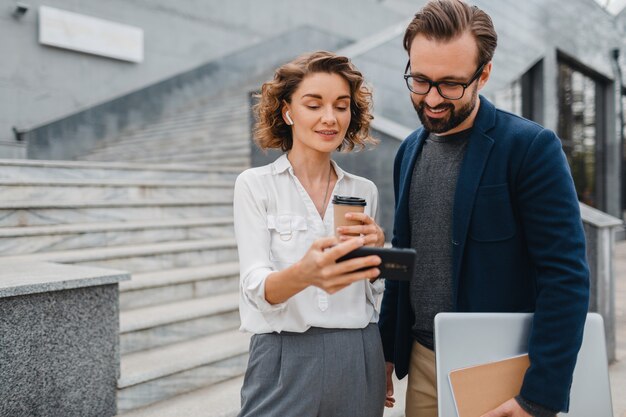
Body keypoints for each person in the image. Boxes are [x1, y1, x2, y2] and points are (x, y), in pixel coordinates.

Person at [378, 1, 590, 417]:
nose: (432, 99)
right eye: (420, 80)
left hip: (500, 369)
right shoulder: (407, 151)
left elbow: (566, 276)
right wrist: (386, 350)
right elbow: (401, 261)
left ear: (485, 74)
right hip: (421, 362)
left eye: (451, 84)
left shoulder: (530, 148)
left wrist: (539, 396)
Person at [234, 51, 388, 417]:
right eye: (313, 104)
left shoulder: (365, 190)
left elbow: (371, 291)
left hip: (359, 352)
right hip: (282, 355)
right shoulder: (255, 186)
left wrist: (378, 254)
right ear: (288, 112)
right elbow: (255, 285)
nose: (329, 118)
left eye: (341, 105)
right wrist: (306, 273)